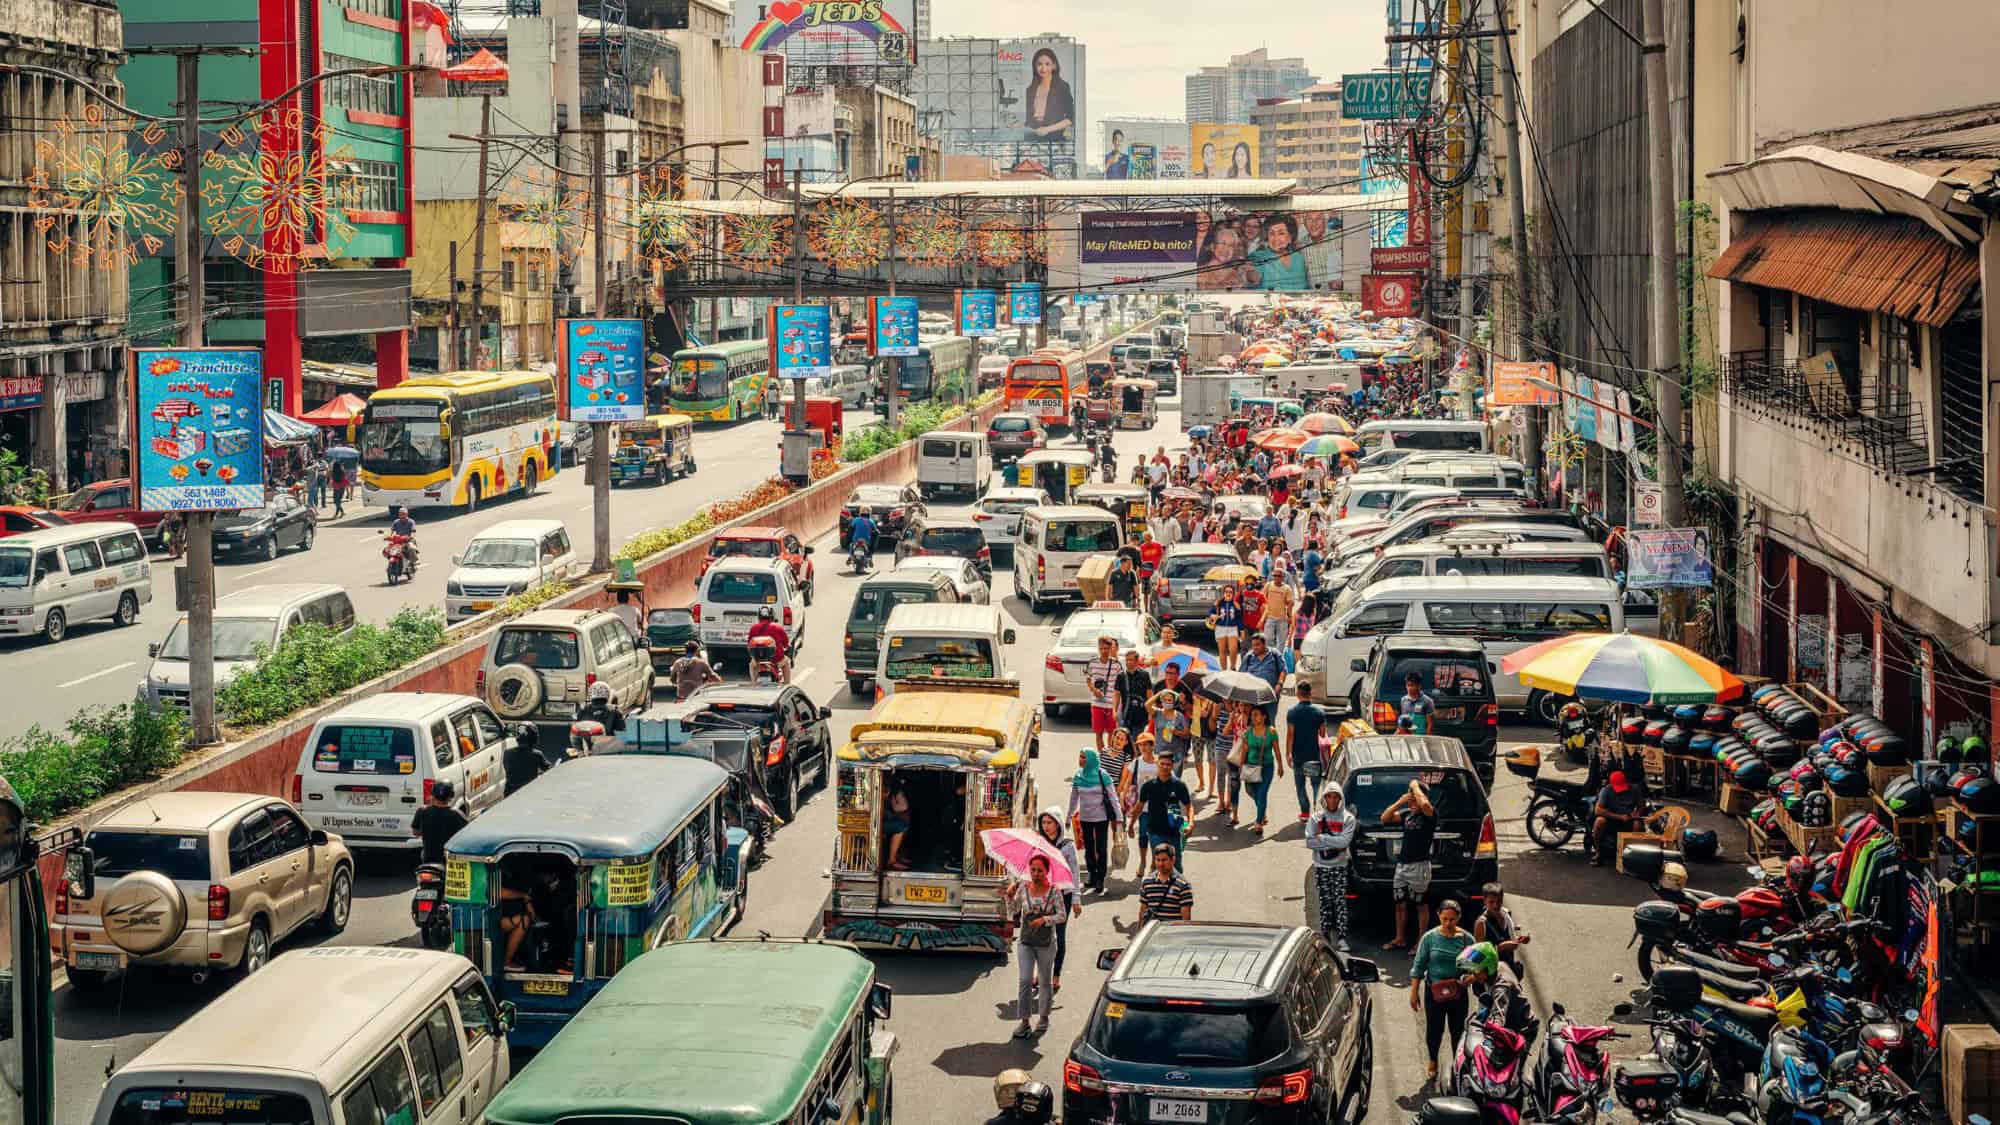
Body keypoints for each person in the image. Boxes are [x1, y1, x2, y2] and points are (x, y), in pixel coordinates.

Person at [1410, 900, 1476, 1079]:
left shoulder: (1466, 939)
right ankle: (1433, 1061)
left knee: (1458, 1031)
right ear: (1438, 916)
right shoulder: (1429, 938)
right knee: (1434, 1030)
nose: (1448, 923)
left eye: (1452, 920)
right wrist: (1414, 992)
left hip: (1458, 994)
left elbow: (1475, 968)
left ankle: (1458, 1064)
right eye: (1445, 919)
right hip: (1433, 992)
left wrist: (1470, 978)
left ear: (1458, 918)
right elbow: (1419, 966)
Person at [1009, 853, 1064, 1038]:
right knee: (1025, 980)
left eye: (1040, 870)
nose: (1036, 873)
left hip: (1046, 943)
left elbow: (1061, 916)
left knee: (1045, 981)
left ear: (1047, 872)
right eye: (1033, 870)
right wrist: (1010, 896)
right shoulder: (1023, 888)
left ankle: (1043, 1017)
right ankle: (1024, 1022)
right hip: (1026, 941)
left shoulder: (1055, 891)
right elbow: (1014, 911)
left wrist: (1044, 920)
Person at [1382, 777, 1437, 950]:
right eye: (1410, 798)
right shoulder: (1408, 815)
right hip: (1402, 866)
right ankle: (1400, 938)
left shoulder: (1430, 815)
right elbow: (1385, 818)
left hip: (1419, 866)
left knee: (1421, 905)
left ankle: (1420, 941)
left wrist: (1414, 785)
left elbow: (1426, 806)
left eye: (1415, 799)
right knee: (1399, 903)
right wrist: (1401, 802)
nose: (1413, 802)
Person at [1036, 808, 1084, 990]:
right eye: (1043, 823)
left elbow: (1075, 873)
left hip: (1063, 896)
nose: (1046, 826)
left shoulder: (1067, 846)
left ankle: (1055, 974)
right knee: (1041, 936)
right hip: (1043, 896)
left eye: (1049, 822)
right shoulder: (1040, 843)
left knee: (1059, 936)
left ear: (1057, 823)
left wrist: (1077, 899)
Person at [1304, 781, 1355, 949]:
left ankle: (1341, 937)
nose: (1332, 800)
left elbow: (1345, 842)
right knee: (1325, 901)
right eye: (1329, 797)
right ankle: (1325, 935)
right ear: (1324, 798)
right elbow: (1310, 842)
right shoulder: (1315, 818)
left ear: (1341, 799)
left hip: (1339, 866)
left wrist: (1323, 839)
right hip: (1321, 866)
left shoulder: (1348, 818)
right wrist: (1335, 843)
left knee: (1340, 901)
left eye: (1336, 797)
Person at [1066, 749, 1121, 894]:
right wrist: (1068, 816)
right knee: (1089, 849)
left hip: (1101, 818)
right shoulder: (1078, 776)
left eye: (1084, 757)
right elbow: (1073, 799)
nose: (1081, 759)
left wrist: (1119, 818)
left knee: (1101, 849)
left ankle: (1100, 879)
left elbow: (1113, 797)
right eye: (1080, 756)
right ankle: (1092, 874)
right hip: (1085, 818)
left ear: (1091, 759)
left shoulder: (1103, 775)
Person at [1132, 750, 1191, 873]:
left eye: (1168, 764)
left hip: (1174, 833)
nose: (1165, 767)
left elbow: (1189, 806)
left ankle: (1177, 890)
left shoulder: (1179, 785)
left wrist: (1191, 823)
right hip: (1155, 833)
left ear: (1172, 765)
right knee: (1161, 865)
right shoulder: (1148, 786)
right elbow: (1139, 806)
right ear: (1157, 764)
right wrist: (1131, 824)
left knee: (1176, 867)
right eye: (1162, 764)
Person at [1236, 705, 1282, 835]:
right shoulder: (1248, 732)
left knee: (1262, 793)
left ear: (1264, 716)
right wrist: (1241, 765)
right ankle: (1262, 811)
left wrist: (1280, 766)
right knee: (1250, 791)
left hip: (1267, 767)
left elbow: (1277, 751)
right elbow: (1244, 750)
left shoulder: (1271, 731)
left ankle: (1258, 822)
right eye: (1252, 715)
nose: (1253, 717)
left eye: (1256, 714)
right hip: (1251, 766)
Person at [1287, 681, 1328, 819]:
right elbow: (1322, 734)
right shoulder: (1319, 712)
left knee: (1300, 785)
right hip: (1313, 754)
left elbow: (1290, 734)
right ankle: (1317, 810)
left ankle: (1305, 812)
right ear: (1311, 694)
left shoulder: (1292, 712)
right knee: (1316, 784)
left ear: (1298, 694)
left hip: (1298, 755)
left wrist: (1288, 753)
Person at [1473, 882, 1530, 978]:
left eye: (1499, 901)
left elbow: (1509, 936)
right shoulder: (1481, 923)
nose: (1496, 905)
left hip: (1508, 970)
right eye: (1491, 902)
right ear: (1484, 901)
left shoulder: (1506, 914)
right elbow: (1480, 955)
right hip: (1492, 975)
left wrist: (1519, 939)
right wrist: (1502, 947)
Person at [1591, 770, 1644, 866]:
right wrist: (1619, 817)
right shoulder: (1606, 790)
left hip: (1628, 819)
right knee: (1599, 821)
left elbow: (1641, 806)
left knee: (1637, 825)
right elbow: (1598, 810)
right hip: (1612, 820)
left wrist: (1637, 814)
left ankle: (1635, 856)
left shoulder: (1635, 789)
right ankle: (1598, 852)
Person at [409, 781, 468, 866]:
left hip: (427, 858)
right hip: (448, 859)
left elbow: (415, 832)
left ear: (433, 795)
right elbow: (466, 836)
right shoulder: (457, 815)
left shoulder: (422, 811)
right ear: (450, 796)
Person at [1022, 47, 1075, 140]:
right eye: (1039, 64)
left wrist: (1047, 129)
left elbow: (1070, 119)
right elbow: (1030, 120)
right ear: (1034, 66)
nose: (1043, 68)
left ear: (1054, 65)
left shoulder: (1062, 87)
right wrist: (1019, 125)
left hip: (1053, 137)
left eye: (1047, 64)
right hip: (1032, 137)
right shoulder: (1030, 90)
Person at [1249, 215, 1311, 291]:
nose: (1276, 238)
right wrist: (1249, 274)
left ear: (1290, 237)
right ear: (1267, 237)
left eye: (1281, 233)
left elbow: (1306, 287)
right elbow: (1252, 277)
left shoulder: (1298, 258)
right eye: (1271, 233)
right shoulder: (1258, 256)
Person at [1137, 842, 1193, 922]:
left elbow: (1186, 920)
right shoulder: (1147, 882)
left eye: (1164, 860)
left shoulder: (1183, 885)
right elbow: (1142, 910)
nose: (1160, 864)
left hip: (1172, 933)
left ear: (1173, 860)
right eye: (1158, 860)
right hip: (1153, 933)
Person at [1084, 636, 1122, 753]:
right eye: (1101, 648)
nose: (1104, 651)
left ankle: (1109, 755)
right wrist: (1094, 690)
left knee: (1112, 732)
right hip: (1097, 703)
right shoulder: (1092, 662)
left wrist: (1117, 706)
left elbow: (1119, 687)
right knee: (1098, 733)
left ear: (1111, 648)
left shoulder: (1117, 664)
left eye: (1106, 648)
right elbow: (1088, 680)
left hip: (1111, 704)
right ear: (1098, 648)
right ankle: (1102, 756)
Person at [1116, 649, 1152, 744]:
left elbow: (1149, 694)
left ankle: (1136, 757)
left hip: (1140, 714)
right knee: (1124, 741)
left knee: (1137, 741)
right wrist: (1114, 711)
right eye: (1127, 660)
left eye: (1131, 660)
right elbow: (1117, 694)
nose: (1128, 662)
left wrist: (1150, 712)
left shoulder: (1144, 675)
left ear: (1137, 661)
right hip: (1126, 714)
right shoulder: (1121, 676)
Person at [746, 606, 790, 683]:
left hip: (758, 659)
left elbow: (749, 644)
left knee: (752, 665)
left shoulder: (753, 628)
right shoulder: (778, 627)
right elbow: (786, 643)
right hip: (776, 660)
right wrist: (786, 646)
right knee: (786, 662)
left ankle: (754, 683)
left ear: (759, 616)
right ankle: (787, 683)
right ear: (772, 615)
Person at [503, 724, 548, 795]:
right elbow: (549, 770)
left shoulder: (507, 753)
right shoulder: (537, 754)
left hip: (509, 794)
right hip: (528, 794)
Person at [1209, 584, 1243, 669]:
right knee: (1222, 651)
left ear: (1233, 594)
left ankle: (1233, 667)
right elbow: (1210, 613)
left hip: (1233, 628)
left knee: (1233, 649)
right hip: (1220, 628)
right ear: (1223, 593)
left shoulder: (1236, 604)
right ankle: (1223, 671)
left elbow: (1239, 618)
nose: (1228, 593)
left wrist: (1241, 630)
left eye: (1230, 592)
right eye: (1226, 592)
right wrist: (1213, 616)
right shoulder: (1218, 603)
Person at [884, 782, 913, 870]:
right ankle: (892, 860)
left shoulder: (895, 794)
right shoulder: (890, 795)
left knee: (903, 826)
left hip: (898, 817)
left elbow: (902, 807)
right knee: (901, 827)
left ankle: (896, 857)